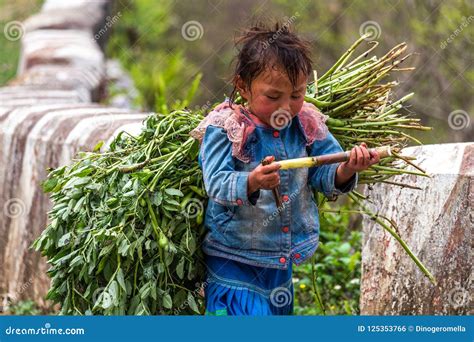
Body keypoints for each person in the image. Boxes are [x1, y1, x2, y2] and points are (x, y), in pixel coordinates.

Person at [190, 22, 380, 315]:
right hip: (234, 259)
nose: (286, 107)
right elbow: (215, 182)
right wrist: (251, 181)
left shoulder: (306, 124)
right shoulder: (225, 127)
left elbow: (323, 174)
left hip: (281, 261)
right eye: (273, 97)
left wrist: (348, 168)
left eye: (296, 95)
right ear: (243, 86)